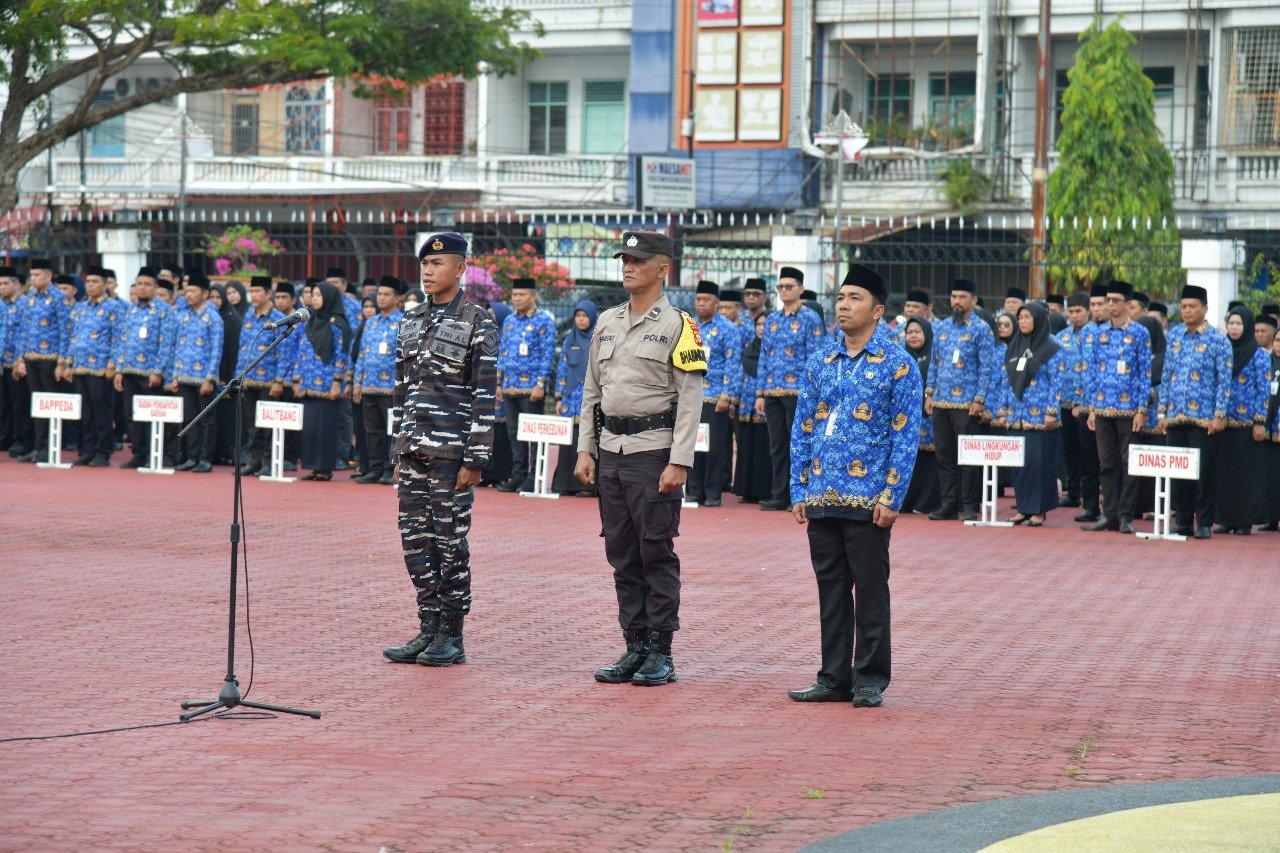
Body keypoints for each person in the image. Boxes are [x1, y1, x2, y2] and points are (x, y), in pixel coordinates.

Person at [786, 264, 921, 708]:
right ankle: (833, 676)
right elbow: (803, 427)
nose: (844, 306)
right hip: (822, 491)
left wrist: (892, 495)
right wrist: (798, 487)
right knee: (831, 588)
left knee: (870, 587)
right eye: (841, 298)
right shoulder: (821, 362)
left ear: (878, 310)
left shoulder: (898, 365)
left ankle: (869, 678)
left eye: (855, 298)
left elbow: (905, 435)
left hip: (869, 499)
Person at [574, 230, 704, 687]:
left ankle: (660, 651)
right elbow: (592, 390)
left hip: (653, 454)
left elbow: (690, 398)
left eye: (638, 259)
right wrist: (585, 448)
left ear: (662, 267)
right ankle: (633, 645)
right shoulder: (607, 322)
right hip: (610, 452)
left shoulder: (679, 326)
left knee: (655, 552)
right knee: (622, 553)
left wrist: (680, 460)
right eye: (624, 259)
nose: (628, 266)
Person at [382, 232, 497, 667]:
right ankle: (428, 627)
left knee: (450, 541)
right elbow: (401, 390)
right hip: (412, 449)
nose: (428, 272)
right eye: (425, 266)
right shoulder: (410, 321)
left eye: (438, 264)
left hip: (452, 454)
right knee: (416, 542)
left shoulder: (477, 321)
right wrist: (398, 449)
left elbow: (485, 394)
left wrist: (476, 458)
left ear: (460, 268)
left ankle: (452, 634)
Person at [1158, 284, 1232, 539]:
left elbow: (1225, 381)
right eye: (1184, 306)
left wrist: (1219, 415)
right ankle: (1184, 521)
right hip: (1176, 415)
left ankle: (1204, 522)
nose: (1187, 311)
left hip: (1205, 418)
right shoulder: (1175, 335)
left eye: (1192, 306)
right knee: (1180, 473)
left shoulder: (1218, 340)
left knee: (1204, 472)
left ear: (1205, 308)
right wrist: (1161, 412)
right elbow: (1166, 375)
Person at [1081, 281, 1151, 534]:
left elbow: (1145, 374)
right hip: (1102, 409)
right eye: (1108, 300)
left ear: (1128, 304)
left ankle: (1125, 516)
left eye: (1115, 300)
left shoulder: (1140, 333)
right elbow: (1091, 373)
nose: (1110, 304)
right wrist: (1091, 407)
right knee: (1106, 464)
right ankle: (1108, 514)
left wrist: (1142, 409)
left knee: (1129, 463)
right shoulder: (1098, 334)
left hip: (1129, 410)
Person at [754, 266, 826, 510]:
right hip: (773, 392)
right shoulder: (772, 320)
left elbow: (815, 359)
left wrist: (812, 392)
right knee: (777, 445)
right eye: (781, 287)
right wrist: (760, 393)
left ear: (801, 289)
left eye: (789, 286)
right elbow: (764, 357)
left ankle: (800, 495)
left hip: (799, 393)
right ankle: (779, 493)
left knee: (800, 444)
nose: (784, 290)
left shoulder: (810, 318)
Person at [925, 278, 996, 521]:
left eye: (962, 297)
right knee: (944, 455)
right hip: (941, 402)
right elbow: (934, 363)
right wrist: (929, 393)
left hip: (967, 404)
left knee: (968, 458)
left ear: (973, 300)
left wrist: (979, 398)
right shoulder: (941, 327)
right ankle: (948, 504)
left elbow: (987, 366)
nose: (956, 301)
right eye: (953, 296)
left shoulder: (981, 329)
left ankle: (968, 505)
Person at [992, 303, 1063, 525]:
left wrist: (1052, 411)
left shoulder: (1052, 347)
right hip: (1016, 415)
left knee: (1038, 464)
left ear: (1039, 319)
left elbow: (1057, 382)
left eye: (1027, 317)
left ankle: (1039, 511)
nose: (1022, 321)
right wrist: (1002, 410)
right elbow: (1006, 381)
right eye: (1020, 317)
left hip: (1041, 417)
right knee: (1020, 465)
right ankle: (1023, 507)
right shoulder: (1013, 346)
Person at [111, 267, 176, 468]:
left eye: (147, 284)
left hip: (150, 373)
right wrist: (119, 369)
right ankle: (139, 454)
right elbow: (122, 341)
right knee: (132, 416)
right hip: (129, 370)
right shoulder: (130, 310)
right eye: (139, 284)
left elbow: (166, 343)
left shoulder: (164, 311)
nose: (142, 288)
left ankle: (155, 454)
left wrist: (158, 371)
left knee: (151, 416)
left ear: (156, 287)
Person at [495, 278, 556, 492]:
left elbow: (547, 355)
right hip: (509, 386)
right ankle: (518, 475)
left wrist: (541, 383)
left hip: (532, 389)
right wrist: (498, 382)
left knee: (533, 435)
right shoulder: (510, 321)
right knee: (514, 433)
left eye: (522, 295)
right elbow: (502, 352)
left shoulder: (543, 321)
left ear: (534, 296)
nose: (517, 299)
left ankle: (534, 476)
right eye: (514, 295)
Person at [1213, 306, 1269, 535]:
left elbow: (1263, 389)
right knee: (1224, 472)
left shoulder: (1258, 355)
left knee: (1245, 474)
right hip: (1223, 421)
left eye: (1239, 324)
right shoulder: (1221, 350)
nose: (1234, 328)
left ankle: (1244, 520)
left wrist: (1259, 421)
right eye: (1231, 323)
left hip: (1247, 425)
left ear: (1246, 326)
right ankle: (1226, 519)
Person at [13, 259, 73, 463]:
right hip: (31, 357)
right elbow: (23, 330)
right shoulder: (29, 298)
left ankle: (50, 446)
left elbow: (66, 331)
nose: (33, 279)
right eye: (31, 276)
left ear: (49, 276)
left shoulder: (59, 298)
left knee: (51, 404)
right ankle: (38, 447)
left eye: (37, 275)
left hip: (51, 359)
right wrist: (21, 359)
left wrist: (62, 362)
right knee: (36, 404)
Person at [687, 280, 741, 507]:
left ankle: (712, 492)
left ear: (716, 303)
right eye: (698, 299)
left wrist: (727, 396)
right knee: (692, 444)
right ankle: (693, 490)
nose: (701, 304)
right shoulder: (689, 326)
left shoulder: (728, 328)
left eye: (706, 300)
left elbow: (733, 363)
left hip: (715, 396)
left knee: (714, 447)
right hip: (691, 395)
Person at [62, 266, 124, 466]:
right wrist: (68, 363)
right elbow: (74, 337)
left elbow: (118, 338)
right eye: (88, 282)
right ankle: (87, 450)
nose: (90, 285)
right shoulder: (80, 307)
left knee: (101, 411)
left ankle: (103, 452)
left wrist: (113, 364)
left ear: (106, 285)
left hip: (101, 368)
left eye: (95, 282)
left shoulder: (113, 307)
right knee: (85, 412)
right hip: (80, 367)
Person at [292, 281, 350, 481]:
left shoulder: (337, 324)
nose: (314, 298)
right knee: (310, 428)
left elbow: (342, 356)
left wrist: (337, 382)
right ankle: (313, 466)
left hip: (327, 385)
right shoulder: (309, 322)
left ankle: (325, 467)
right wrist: (297, 379)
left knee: (324, 428)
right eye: (313, 294)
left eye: (319, 295)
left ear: (329, 297)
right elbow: (301, 352)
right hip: (308, 384)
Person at [167, 271, 223, 473]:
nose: (187, 294)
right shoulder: (183, 316)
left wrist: (210, 378)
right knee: (189, 419)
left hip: (204, 378)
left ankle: (205, 458)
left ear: (205, 294)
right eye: (186, 291)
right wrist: (174, 375)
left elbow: (217, 350)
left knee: (206, 420)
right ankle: (191, 457)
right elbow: (176, 348)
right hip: (184, 375)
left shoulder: (213, 318)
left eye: (193, 291)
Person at [232, 276, 287, 475]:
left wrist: (279, 380)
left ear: (268, 294)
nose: (253, 295)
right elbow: (243, 349)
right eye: (251, 291)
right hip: (250, 378)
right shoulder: (248, 316)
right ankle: (254, 461)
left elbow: (283, 352)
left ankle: (268, 462)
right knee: (251, 424)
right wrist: (238, 377)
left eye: (257, 291)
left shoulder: (278, 318)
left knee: (268, 425)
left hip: (269, 380)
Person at [353, 276, 403, 485]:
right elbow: (362, 355)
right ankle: (374, 468)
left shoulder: (404, 322)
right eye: (379, 294)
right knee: (372, 431)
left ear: (397, 298)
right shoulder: (370, 323)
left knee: (392, 431)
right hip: (369, 385)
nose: (381, 298)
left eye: (386, 295)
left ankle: (390, 469)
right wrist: (357, 382)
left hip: (391, 387)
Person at [550, 299, 598, 496]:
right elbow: (562, 368)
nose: (581, 320)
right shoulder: (570, 339)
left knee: (587, 441)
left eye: (585, 315)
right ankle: (565, 483)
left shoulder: (598, 339)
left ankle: (586, 485)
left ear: (592, 317)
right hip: (571, 399)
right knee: (568, 441)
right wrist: (559, 398)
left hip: (591, 398)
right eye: (577, 315)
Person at [900, 317, 940, 514]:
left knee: (929, 461)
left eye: (917, 332)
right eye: (909, 332)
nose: (913, 336)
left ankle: (927, 502)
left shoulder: (933, 357)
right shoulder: (901, 357)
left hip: (928, 417)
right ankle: (907, 501)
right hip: (905, 418)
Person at [733, 311, 773, 503]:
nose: (761, 328)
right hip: (746, 405)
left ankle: (764, 490)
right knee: (746, 445)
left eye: (765, 325)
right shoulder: (749, 348)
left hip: (765, 406)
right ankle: (747, 489)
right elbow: (741, 375)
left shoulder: (773, 351)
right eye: (758, 324)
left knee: (764, 447)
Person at [208, 284, 244, 466]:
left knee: (228, 416)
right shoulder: (209, 318)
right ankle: (215, 452)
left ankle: (228, 452)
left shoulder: (234, 319)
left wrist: (231, 379)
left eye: (218, 297)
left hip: (228, 375)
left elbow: (234, 352)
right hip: (212, 375)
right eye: (211, 297)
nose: (214, 301)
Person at [0, 266, 33, 457]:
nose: (2, 287)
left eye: (5, 283)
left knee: (19, 403)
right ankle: (5, 437)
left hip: (18, 362)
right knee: (4, 402)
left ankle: (21, 439)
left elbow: (26, 335)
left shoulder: (25, 305)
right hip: (2, 361)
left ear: (17, 285)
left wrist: (21, 360)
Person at [1263, 321, 1280, 532]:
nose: (1279, 344)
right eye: (1277, 340)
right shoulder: (1266, 363)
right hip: (1269, 429)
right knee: (1270, 475)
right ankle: (1271, 518)